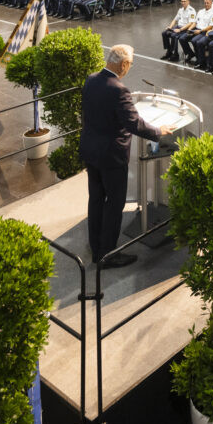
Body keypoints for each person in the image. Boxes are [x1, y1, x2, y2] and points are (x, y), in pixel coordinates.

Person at [80, 43, 168, 268]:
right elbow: (133, 123)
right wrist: (158, 132)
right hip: (111, 156)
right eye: (130, 65)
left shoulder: (91, 80)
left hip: (91, 151)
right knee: (114, 203)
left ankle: (95, 245)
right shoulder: (118, 89)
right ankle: (107, 254)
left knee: (96, 199)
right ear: (125, 64)